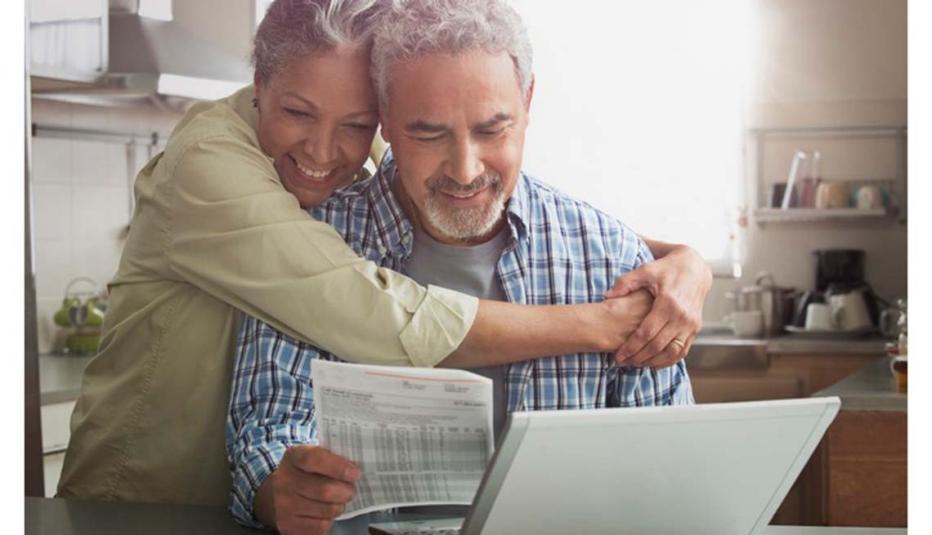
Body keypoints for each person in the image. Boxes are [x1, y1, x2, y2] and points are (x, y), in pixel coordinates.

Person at [57, 0, 710, 509]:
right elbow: (378, 320)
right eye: (298, 113)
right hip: (141, 493)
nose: (324, 151)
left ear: (377, 122)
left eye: (354, 124)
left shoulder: (600, 250)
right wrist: (604, 323)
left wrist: (680, 257)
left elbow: (673, 466)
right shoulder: (214, 168)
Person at [227, 0, 694, 532]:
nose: (466, 170)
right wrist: (279, 489)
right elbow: (265, 433)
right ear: (385, 119)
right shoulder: (311, 240)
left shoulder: (611, 258)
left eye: (492, 130)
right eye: (429, 134)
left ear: (528, 100)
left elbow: (670, 465)